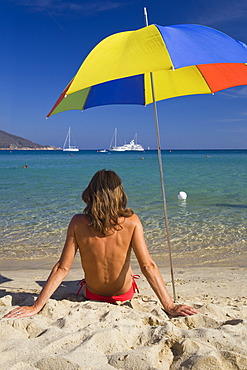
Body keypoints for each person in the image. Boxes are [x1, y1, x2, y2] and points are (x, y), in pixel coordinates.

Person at [4, 169, 198, 319]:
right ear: (120, 193)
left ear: (90, 193)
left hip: (93, 294)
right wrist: (169, 306)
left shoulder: (77, 222)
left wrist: (36, 306)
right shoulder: (132, 222)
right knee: (128, 267)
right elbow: (148, 266)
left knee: (82, 271)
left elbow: (62, 268)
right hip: (124, 295)